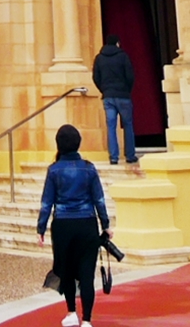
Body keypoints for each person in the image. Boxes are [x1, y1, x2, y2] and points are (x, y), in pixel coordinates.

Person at [36, 123, 108, 327]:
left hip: (63, 225)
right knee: (87, 272)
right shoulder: (89, 168)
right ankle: (87, 320)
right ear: (78, 143)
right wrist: (106, 224)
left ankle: (71, 311)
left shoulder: (54, 170)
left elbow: (46, 203)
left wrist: (40, 228)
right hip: (87, 223)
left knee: (66, 269)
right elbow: (99, 199)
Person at [92, 35, 139, 169]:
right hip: (123, 95)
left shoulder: (99, 58)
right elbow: (130, 76)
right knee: (128, 125)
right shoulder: (123, 56)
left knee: (111, 127)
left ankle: (113, 157)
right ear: (117, 43)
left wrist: (104, 90)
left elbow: (96, 77)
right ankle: (130, 155)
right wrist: (127, 90)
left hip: (108, 96)